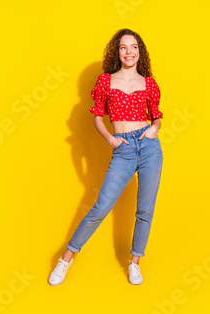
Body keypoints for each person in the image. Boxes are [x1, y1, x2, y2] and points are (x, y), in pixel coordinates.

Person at [49, 28, 164, 286]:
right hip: (123, 150)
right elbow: (97, 116)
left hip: (149, 148)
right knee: (101, 207)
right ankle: (66, 258)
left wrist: (154, 129)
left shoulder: (148, 82)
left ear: (140, 52)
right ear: (117, 52)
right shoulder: (105, 81)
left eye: (133, 47)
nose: (129, 52)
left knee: (145, 209)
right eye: (123, 47)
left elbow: (156, 115)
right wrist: (111, 140)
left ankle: (134, 263)